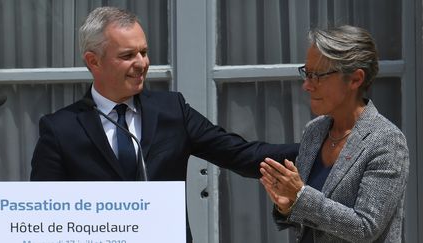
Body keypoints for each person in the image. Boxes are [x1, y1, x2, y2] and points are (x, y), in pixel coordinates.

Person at [30, 6, 298, 242]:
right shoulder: (60, 129)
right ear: (93, 61)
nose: (142, 64)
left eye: (144, 52)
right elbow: (45, 213)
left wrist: (322, 148)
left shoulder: (172, 111)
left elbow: (242, 155)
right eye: (128, 55)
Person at [260, 25, 409, 242]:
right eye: (306, 73)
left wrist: (301, 196)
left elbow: (365, 228)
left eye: (317, 75)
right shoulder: (315, 131)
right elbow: (308, 219)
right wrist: (287, 206)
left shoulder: (386, 141)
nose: (307, 85)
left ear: (356, 79)